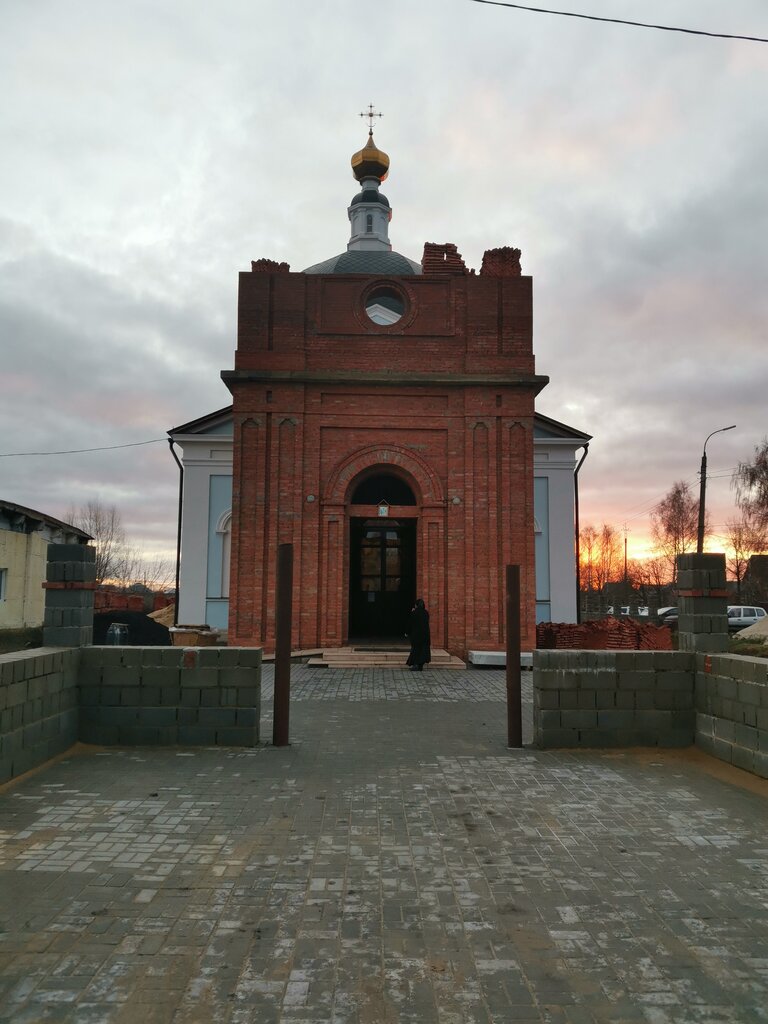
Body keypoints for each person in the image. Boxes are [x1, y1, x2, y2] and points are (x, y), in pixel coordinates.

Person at [406, 598, 431, 671]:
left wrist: (407, 632)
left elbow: (410, 623)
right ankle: (420, 666)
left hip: (416, 635)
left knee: (416, 650)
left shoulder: (414, 613)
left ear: (416, 605)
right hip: (425, 635)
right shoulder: (426, 613)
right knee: (423, 650)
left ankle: (415, 665)